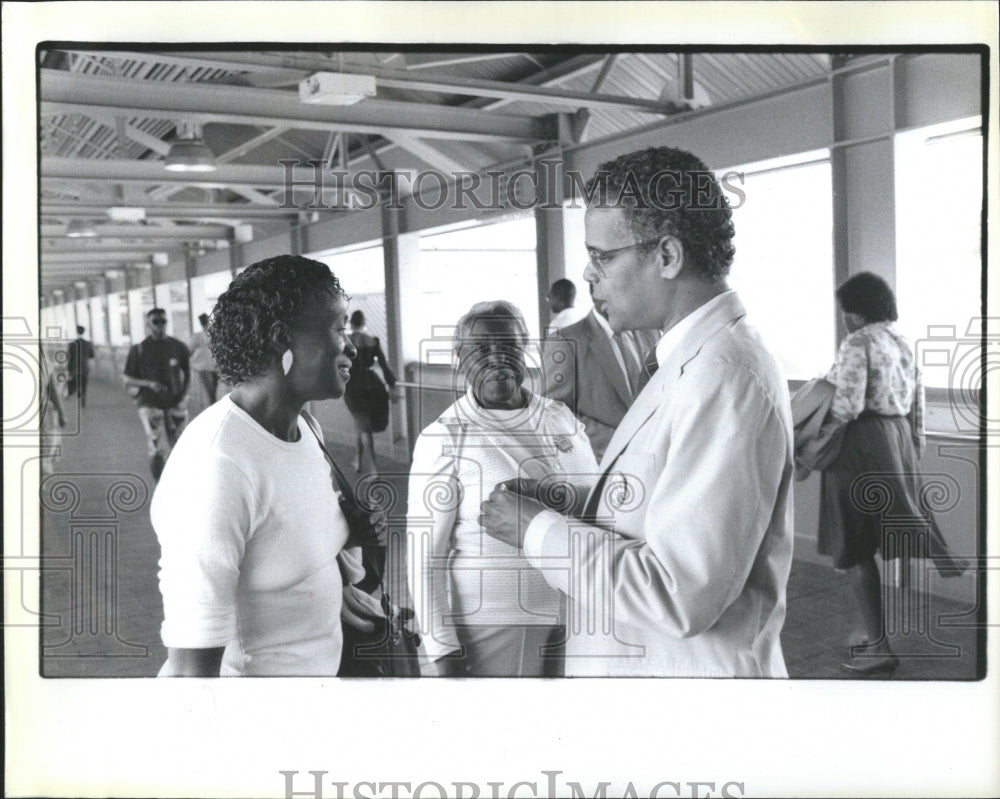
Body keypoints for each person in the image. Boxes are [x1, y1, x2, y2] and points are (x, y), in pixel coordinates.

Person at [480, 146, 795, 677]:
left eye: (602, 256)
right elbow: (662, 503)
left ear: (667, 257)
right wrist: (572, 502)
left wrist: (537, 530)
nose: (587, 275)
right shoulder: (689, 359)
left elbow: (680, 592)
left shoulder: (726, 375)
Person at [150, 255, 385, 677]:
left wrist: (332, 586)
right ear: (282, 338)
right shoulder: (217, 467)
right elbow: (189, 673)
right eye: (336, 327)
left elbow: (281, 551)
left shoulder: (306, 429)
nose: (350, 345)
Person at [407, 300, 597, 676]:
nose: (496, 357)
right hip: (496, 626)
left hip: (580, 617)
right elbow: (423, 558)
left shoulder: (560, 418)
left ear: (524, 349)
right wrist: (443, 650)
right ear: (460, 359)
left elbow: (596, 506)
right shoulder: (446, 436)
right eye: (480, 349)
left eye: (508, 345)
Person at [819, 271, 968, 675]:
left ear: (858, 309)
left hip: (862, 442)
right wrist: (907, 451)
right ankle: (874, 636)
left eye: (847, 310)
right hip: (898, 440)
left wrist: (813, 435)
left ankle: (880, 645)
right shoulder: (902, 343)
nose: (846, 317)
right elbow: (917, 408)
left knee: (855, 547)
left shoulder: (858, 342)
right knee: (877, 536)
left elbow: (847, 406)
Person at [543, 282, 659, 460]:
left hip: (654, 457)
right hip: (602, 463)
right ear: (595, 291)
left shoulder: (650, 333)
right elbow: (555, 414)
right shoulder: (565, 341)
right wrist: (621, 442)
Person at [123, 309, 191, 481]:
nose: (160, 325)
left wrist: (183, 395)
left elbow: (188, 372)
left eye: (163, 321)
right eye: (156, 322)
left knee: (181, 446)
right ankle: (159, 485)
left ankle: (177, 483)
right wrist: (149, 384)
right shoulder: (139, 349)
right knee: (156, 446)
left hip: (175, 401)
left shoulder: (178, 346)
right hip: (149, 402)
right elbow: (127, 378)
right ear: (148, 324)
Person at [343, 310, 398, 474]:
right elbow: (384, 365)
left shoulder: (346, 341)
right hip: (373, 384)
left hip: (353, 386)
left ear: (351, 324)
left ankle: (373, 469)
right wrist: (392, 385)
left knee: (362, 425)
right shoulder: (372, 341)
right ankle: (358, 460)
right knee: (361, 425)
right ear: (363, 323)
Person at [189, 312, 219, 405]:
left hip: (215, 365)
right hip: (202, 366)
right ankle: (212, 406)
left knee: (215, 388)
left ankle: (213, 404)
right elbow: (190, 350)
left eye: (206, 320)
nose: (205, 323)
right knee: (209, 390)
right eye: (203, 321)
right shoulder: (197, 336)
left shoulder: (216, 334)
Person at [66, 325, 95, 408]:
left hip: (75, 368)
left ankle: (77, 395)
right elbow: (92, 355)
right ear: (84, 332)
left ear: (77, 332)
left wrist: (69, 369)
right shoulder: (88, 344)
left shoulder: (72, 344)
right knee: (84, 384)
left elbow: (70, 357)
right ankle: (83, 396)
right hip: (85, 367)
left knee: (76, 383)